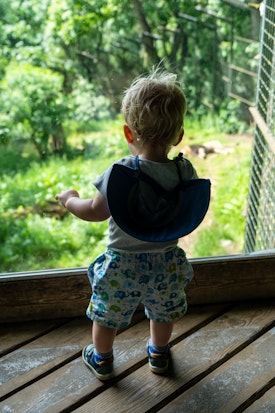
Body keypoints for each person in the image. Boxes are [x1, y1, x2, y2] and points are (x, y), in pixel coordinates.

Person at [55, 66, 209, 381]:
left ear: (128, 133)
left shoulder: (121, 172)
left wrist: (70, 199)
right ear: (178, 136)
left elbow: (95, 211)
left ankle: (102, 359)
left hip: (121, 265)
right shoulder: (184, 171)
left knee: (106, 316)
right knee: (163, 312)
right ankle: (159, 353)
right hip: (165, 262)